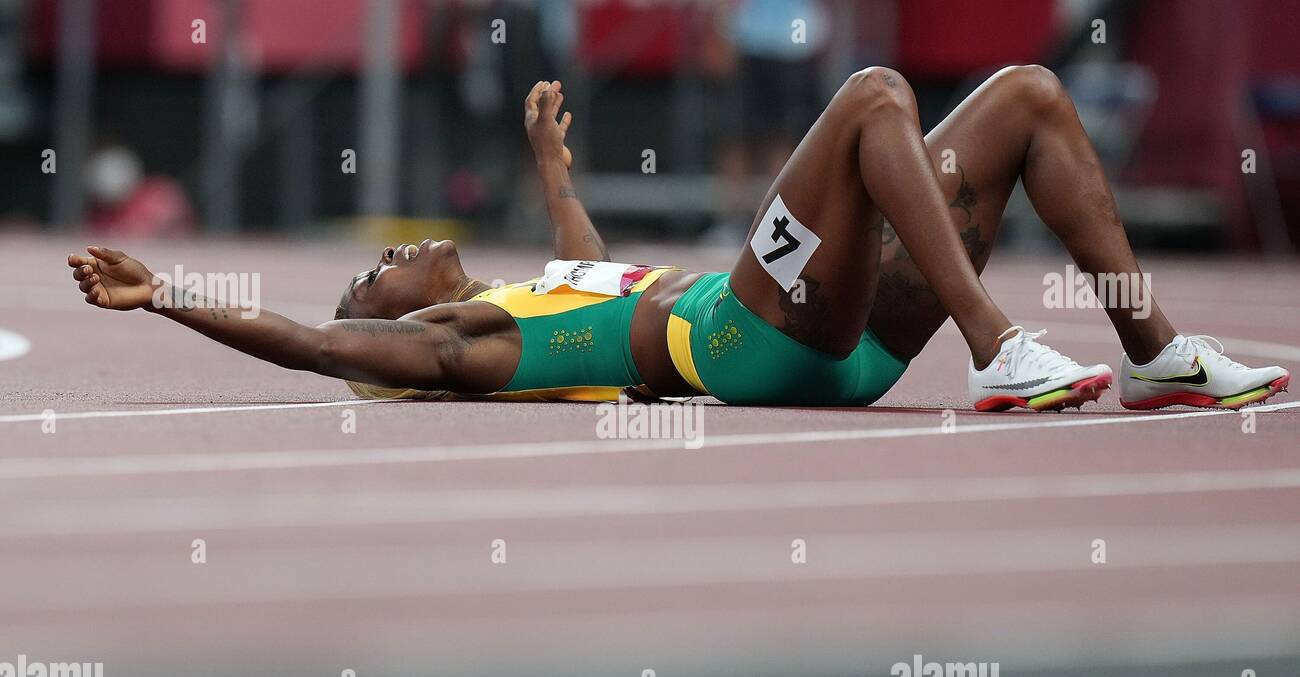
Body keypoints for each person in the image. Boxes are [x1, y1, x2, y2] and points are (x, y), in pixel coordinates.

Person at [68, 71, 1289, 411]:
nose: (396, 254)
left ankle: (1156, 356)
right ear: (398, 313)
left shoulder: (537, 288)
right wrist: (165, 292)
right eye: (373, 271)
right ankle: (994, 346)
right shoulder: (461, 343)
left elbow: (593, 270)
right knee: (869, 98)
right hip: (756, 340)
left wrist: (553, 172)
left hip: (822, 332)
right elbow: (307, 343)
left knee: (1026, 94)